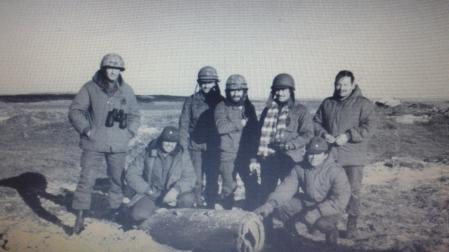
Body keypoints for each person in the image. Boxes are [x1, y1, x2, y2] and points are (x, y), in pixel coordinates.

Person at [68, 53, 141, 234]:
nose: (113, 71)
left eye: (117, 68)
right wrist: (86, 129)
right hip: (93, 143)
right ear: (103, 68)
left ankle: (115, 211)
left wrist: (129, 132)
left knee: (116, 180)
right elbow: (75, 111)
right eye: (110, 67)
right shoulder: (90, 88)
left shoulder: (127, 90)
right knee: (87, 179)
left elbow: (134, 115)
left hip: (118, 145)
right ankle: (80, 214)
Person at [313, 70, 376, 238]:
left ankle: (352, 225)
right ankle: (330, 225)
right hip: (331, 157)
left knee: (353, 192)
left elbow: (369, 127)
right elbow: (316, 123)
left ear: (353, 85)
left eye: (345, 85)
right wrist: (324, 134)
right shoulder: (328, 103)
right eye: (338, 84)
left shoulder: (364, 104)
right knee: (330, 192)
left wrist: (348, 135)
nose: (341, 88)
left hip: (354, 159)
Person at [254, 136, 351, 245]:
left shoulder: (336, 171)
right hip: (309, 203)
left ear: (325, 155)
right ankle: (294, 232)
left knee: (318, 229)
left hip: (330, 209)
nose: (313, 158)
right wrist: (270, 205)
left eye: (317, 154)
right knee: (283, 206)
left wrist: (315, 213)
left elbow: (339, 201)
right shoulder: (300, 168)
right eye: (311, 153)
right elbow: (286, 189)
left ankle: (330, 234)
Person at [250, 73, 314, 206]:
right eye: (277, 90)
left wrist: (291, 145)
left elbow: (307, 134)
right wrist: (255, 157)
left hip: (290, 159)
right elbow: (259, 135)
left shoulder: (300, 111)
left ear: (291, 91)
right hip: (269, 157)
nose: (280, 93)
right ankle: (267, 224)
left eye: (284, 89)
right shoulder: (267, 111)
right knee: (267, 191)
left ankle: (289, 224)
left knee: (289, 193)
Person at [125, 126, 196, 222]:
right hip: (152, 194)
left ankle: (177, 219)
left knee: (187, 199)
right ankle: (157, 212)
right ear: (161, 140)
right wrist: (147, 190)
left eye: (173, 142)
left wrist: (176, 190)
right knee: (138, 215)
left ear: (177, 143)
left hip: (174, 195)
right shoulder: (149, 152)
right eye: (166, 141)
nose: (169, 145)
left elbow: (190, 177)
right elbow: (131, 174)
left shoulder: (182, 155)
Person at [214, 74, 259, 209]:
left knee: (252, 185)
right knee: (229, 187)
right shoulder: (221, 106)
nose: (236, 93)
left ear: (244, 91)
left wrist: (253, 157)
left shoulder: (249, 107)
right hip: (228, 154)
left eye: (239, 90)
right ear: (228, 92)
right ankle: (226, 219)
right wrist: (241, 123)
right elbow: (221, 127)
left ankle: (252, 215)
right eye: (233, 90)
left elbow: (254, 132)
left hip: (245, 154)